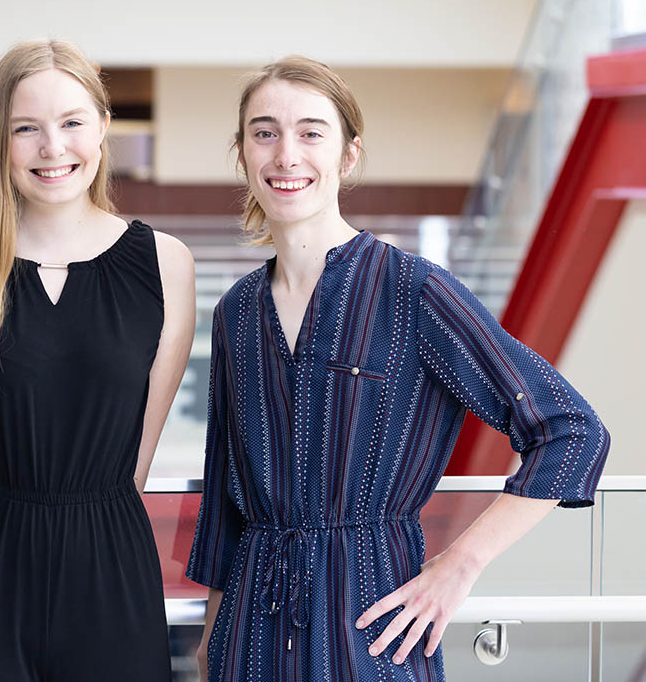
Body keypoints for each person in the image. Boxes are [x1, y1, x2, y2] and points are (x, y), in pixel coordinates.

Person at [187, 56, 610, 681]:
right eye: (264, 132)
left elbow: (571, 432)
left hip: (372, 628)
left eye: (310, 132)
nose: (285, 154)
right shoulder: (235, 312)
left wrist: (460, 564)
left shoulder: (413, 290)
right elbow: (225, 496)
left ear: (348, 156)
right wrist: (212, 638)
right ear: (243, 152)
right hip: (248, 635)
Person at [0, 38, 196, 680]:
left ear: (102, 128)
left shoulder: (166, 266)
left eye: (70, 123)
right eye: (26, 128)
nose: (52, 147)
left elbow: (136, 459)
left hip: (109, 572)